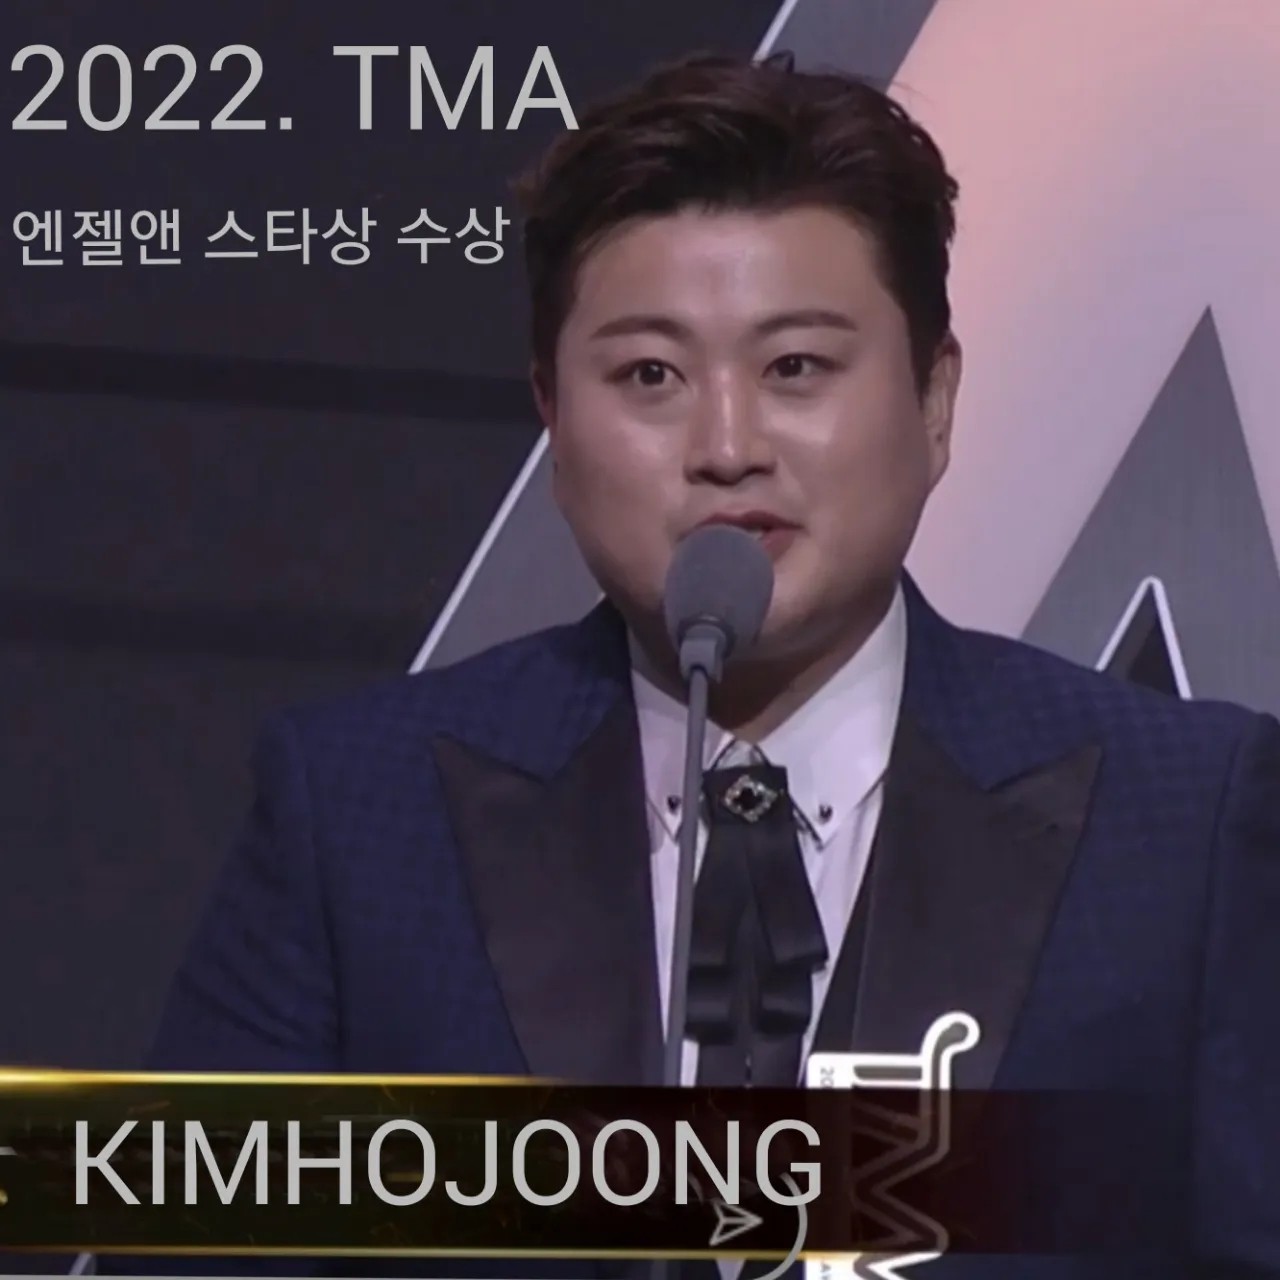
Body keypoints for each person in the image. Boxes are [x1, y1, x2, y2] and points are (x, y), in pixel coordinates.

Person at [110, 52, 1279, 1278]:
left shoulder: (1183, 817)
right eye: (649, 376)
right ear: (551, 416)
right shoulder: (358, 810)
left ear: (933, 401)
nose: (725, 445)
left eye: (795, 367)